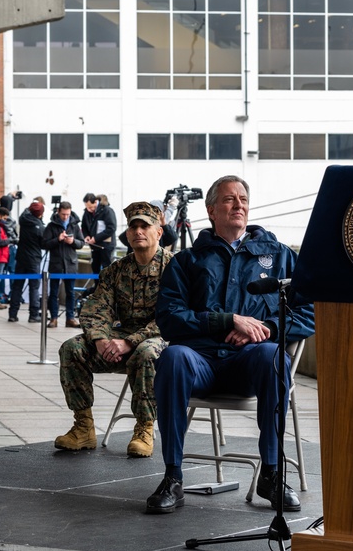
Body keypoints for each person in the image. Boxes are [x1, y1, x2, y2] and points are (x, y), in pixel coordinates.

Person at [145, 176, 316, 514]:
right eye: (228, 200)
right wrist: (227, 321)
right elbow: (169, 317)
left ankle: (271, 473)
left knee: (273, 356)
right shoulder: (188, 260)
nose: (238, 205)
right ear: (211, 210)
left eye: (242, 199)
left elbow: (307, 313)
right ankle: (173, 477)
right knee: (173, 357)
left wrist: (263, 328)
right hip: (201, 361)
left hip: (249, 361)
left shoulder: (279, 256)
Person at [55, 202, 174, 457]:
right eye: (134, 226)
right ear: (128, 233)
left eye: (145, 226)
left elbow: (171, 317)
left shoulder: (174, 268)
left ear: (159, 232)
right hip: (120, 340)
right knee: (72, 348)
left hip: (163, 339)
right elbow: (97, 308)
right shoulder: (117, 270)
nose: (139, 231)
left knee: (145, 352)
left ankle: (144, 427)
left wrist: (129, 342)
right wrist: (100, 340)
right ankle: (84, 427)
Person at [42, 200, 84, 328]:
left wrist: (73, 241)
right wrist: (58, 239)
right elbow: (44, 244)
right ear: (58, 212)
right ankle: (53, 318)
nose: (65, 217)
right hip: (56, 263)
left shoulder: (75, 225)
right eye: (63, 214)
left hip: (70, 263)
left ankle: (70, 318)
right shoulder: (51, 226)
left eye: (67, 214)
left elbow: (81, 243)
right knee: (53, 292)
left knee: (70, 292)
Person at [8, 198, 45, 323]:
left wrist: (30, 207)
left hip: (21, 257)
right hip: (34, 259)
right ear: (40, 214)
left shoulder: (23, 220)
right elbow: (44, 243)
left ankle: (12, 314)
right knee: (34, 288)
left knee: (17, 287)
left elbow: (25, 213)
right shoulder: (39, 226)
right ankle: (34, 314)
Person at [81, 192, 117, 276]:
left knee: (106, 267)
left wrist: (96, 238)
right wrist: (86, 236)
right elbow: (84, 226)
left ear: (95, 202)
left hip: (106, 245)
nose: (89, 209)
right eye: (87, 207)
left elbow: (111, 228)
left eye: (90, 207)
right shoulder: (87, 212)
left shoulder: (107, 210)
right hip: (94, 246)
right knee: (95, 267)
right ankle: (96, 286)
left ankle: (107, 288)